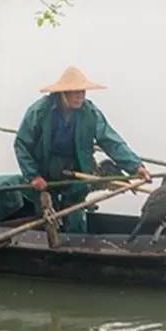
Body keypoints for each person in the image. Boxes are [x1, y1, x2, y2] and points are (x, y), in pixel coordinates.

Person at [12, 65, 151, 233]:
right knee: (45, 216)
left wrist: (136, 166)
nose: (80, 96)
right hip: (45, 172)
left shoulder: (89, 112)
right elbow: (21, 144)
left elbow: (110, 140)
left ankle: (75, 242)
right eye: (75, 92)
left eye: (83, 92)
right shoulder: (40, 111)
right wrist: (33, 176)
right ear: (63, 93)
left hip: (76, 171)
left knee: (75, 214)